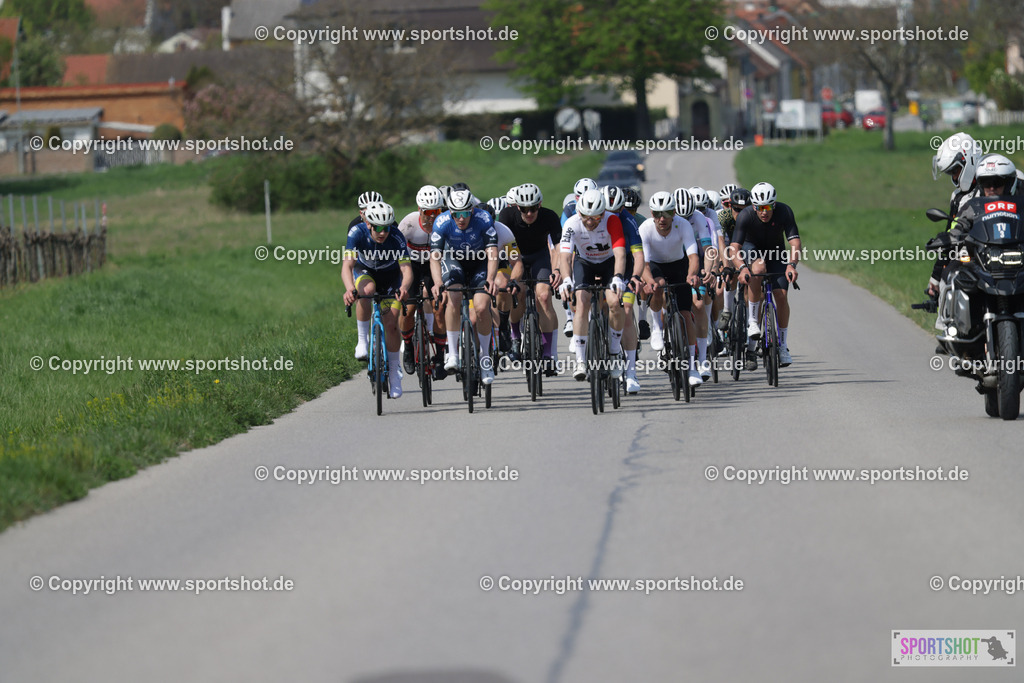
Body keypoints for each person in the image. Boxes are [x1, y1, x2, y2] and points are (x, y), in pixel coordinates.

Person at [343, 201, 413, 399]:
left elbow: (406, 269)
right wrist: (349, 288)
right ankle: (362, 341)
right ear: (368, 224)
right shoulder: (357, 233)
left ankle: (394, 374)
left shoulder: (396, 237)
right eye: (378, 228)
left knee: (391, 324)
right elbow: (347, 266)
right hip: (365, 271)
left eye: (386, 228)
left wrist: (404, 287)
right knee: (366, 291)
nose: (382, 233)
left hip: (391, 277)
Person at [429, 189, 500, 385]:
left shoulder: (484, 219)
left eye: (465, 213)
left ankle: (485, 358)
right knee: (453, 297)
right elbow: (434, 257)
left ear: (472, 210)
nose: (461, 218)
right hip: (455, 261)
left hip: (479, 262)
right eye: (456, 214)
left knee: (481, 307)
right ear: (450, 212)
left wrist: (491, 278)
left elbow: (493, 253)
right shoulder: (442, 222)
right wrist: (438, 282)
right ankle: (452, 353)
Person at [558, 189, 628, 381]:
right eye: (585, 217)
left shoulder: (612, 220)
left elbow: (620, 253)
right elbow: (565, 257)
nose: (590, 222)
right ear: (578, 212)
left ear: (603, 213)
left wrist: (618, 277)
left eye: (596, 217)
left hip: (609, 263)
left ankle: (614, 353)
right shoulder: (571, 224)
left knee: (615, 302)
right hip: (585, 263)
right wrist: (566, 279)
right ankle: (581, 360)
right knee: (581, 301)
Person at [730, 182, 800, 370]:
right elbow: (734, 248)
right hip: (751, 248)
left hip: (776, 253)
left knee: (781, 296)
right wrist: (742, 268)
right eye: (759, 208)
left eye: (768, 207)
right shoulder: (745, 215)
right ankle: (753, 321)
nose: (764, 212)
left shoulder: (784, 212)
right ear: (753, 206)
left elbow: (795, 243)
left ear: (774, 205)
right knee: (758, 268)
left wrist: (792, 265)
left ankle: (783, 345)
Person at [638, 191, 704, 387]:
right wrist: (649, 281)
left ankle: (692, 366)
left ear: (674, 212)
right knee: (657, 287)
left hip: (678, 265)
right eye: (657, 214)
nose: (662, 218)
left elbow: (693, 257)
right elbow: (644, 263)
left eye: (666, 213)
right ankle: (657, 328)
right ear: (652, 214)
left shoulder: (682, 225)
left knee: (686, 314)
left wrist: (692, 275)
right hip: (655, 265)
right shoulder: (645, 229)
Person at [498, 183, 563, 370]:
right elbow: (504, 246)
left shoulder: (549, 216)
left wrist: (557, 270)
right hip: (514, 256)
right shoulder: (506, 216)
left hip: (539, 257)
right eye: (524, 209)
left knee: (544, 296)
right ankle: (515, 338)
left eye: (533, 208)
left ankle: (549, 354)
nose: (529, 213)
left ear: (539, 205)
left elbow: (559, 248)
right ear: (517, 207)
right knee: (517, 292)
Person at [398, 185, 448, 378]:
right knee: (408, 309)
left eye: (436, 211)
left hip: (433, 267)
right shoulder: (409, 223)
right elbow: (395, 248)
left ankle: (440, 355)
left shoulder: (445, 222)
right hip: (411, 267)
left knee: (439, 308)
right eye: (428, 212)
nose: (432, 217)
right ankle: (408, 346)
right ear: (419, 210)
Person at [604, 185, 646, 393]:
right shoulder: (591, 219)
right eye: (607, 211)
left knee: (627, 312)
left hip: (626, 267)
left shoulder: (628, 221)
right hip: (601, 266)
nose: (612, 215)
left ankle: (631, 373)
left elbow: (638, 256)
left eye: (617, 211)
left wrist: (636, 276)